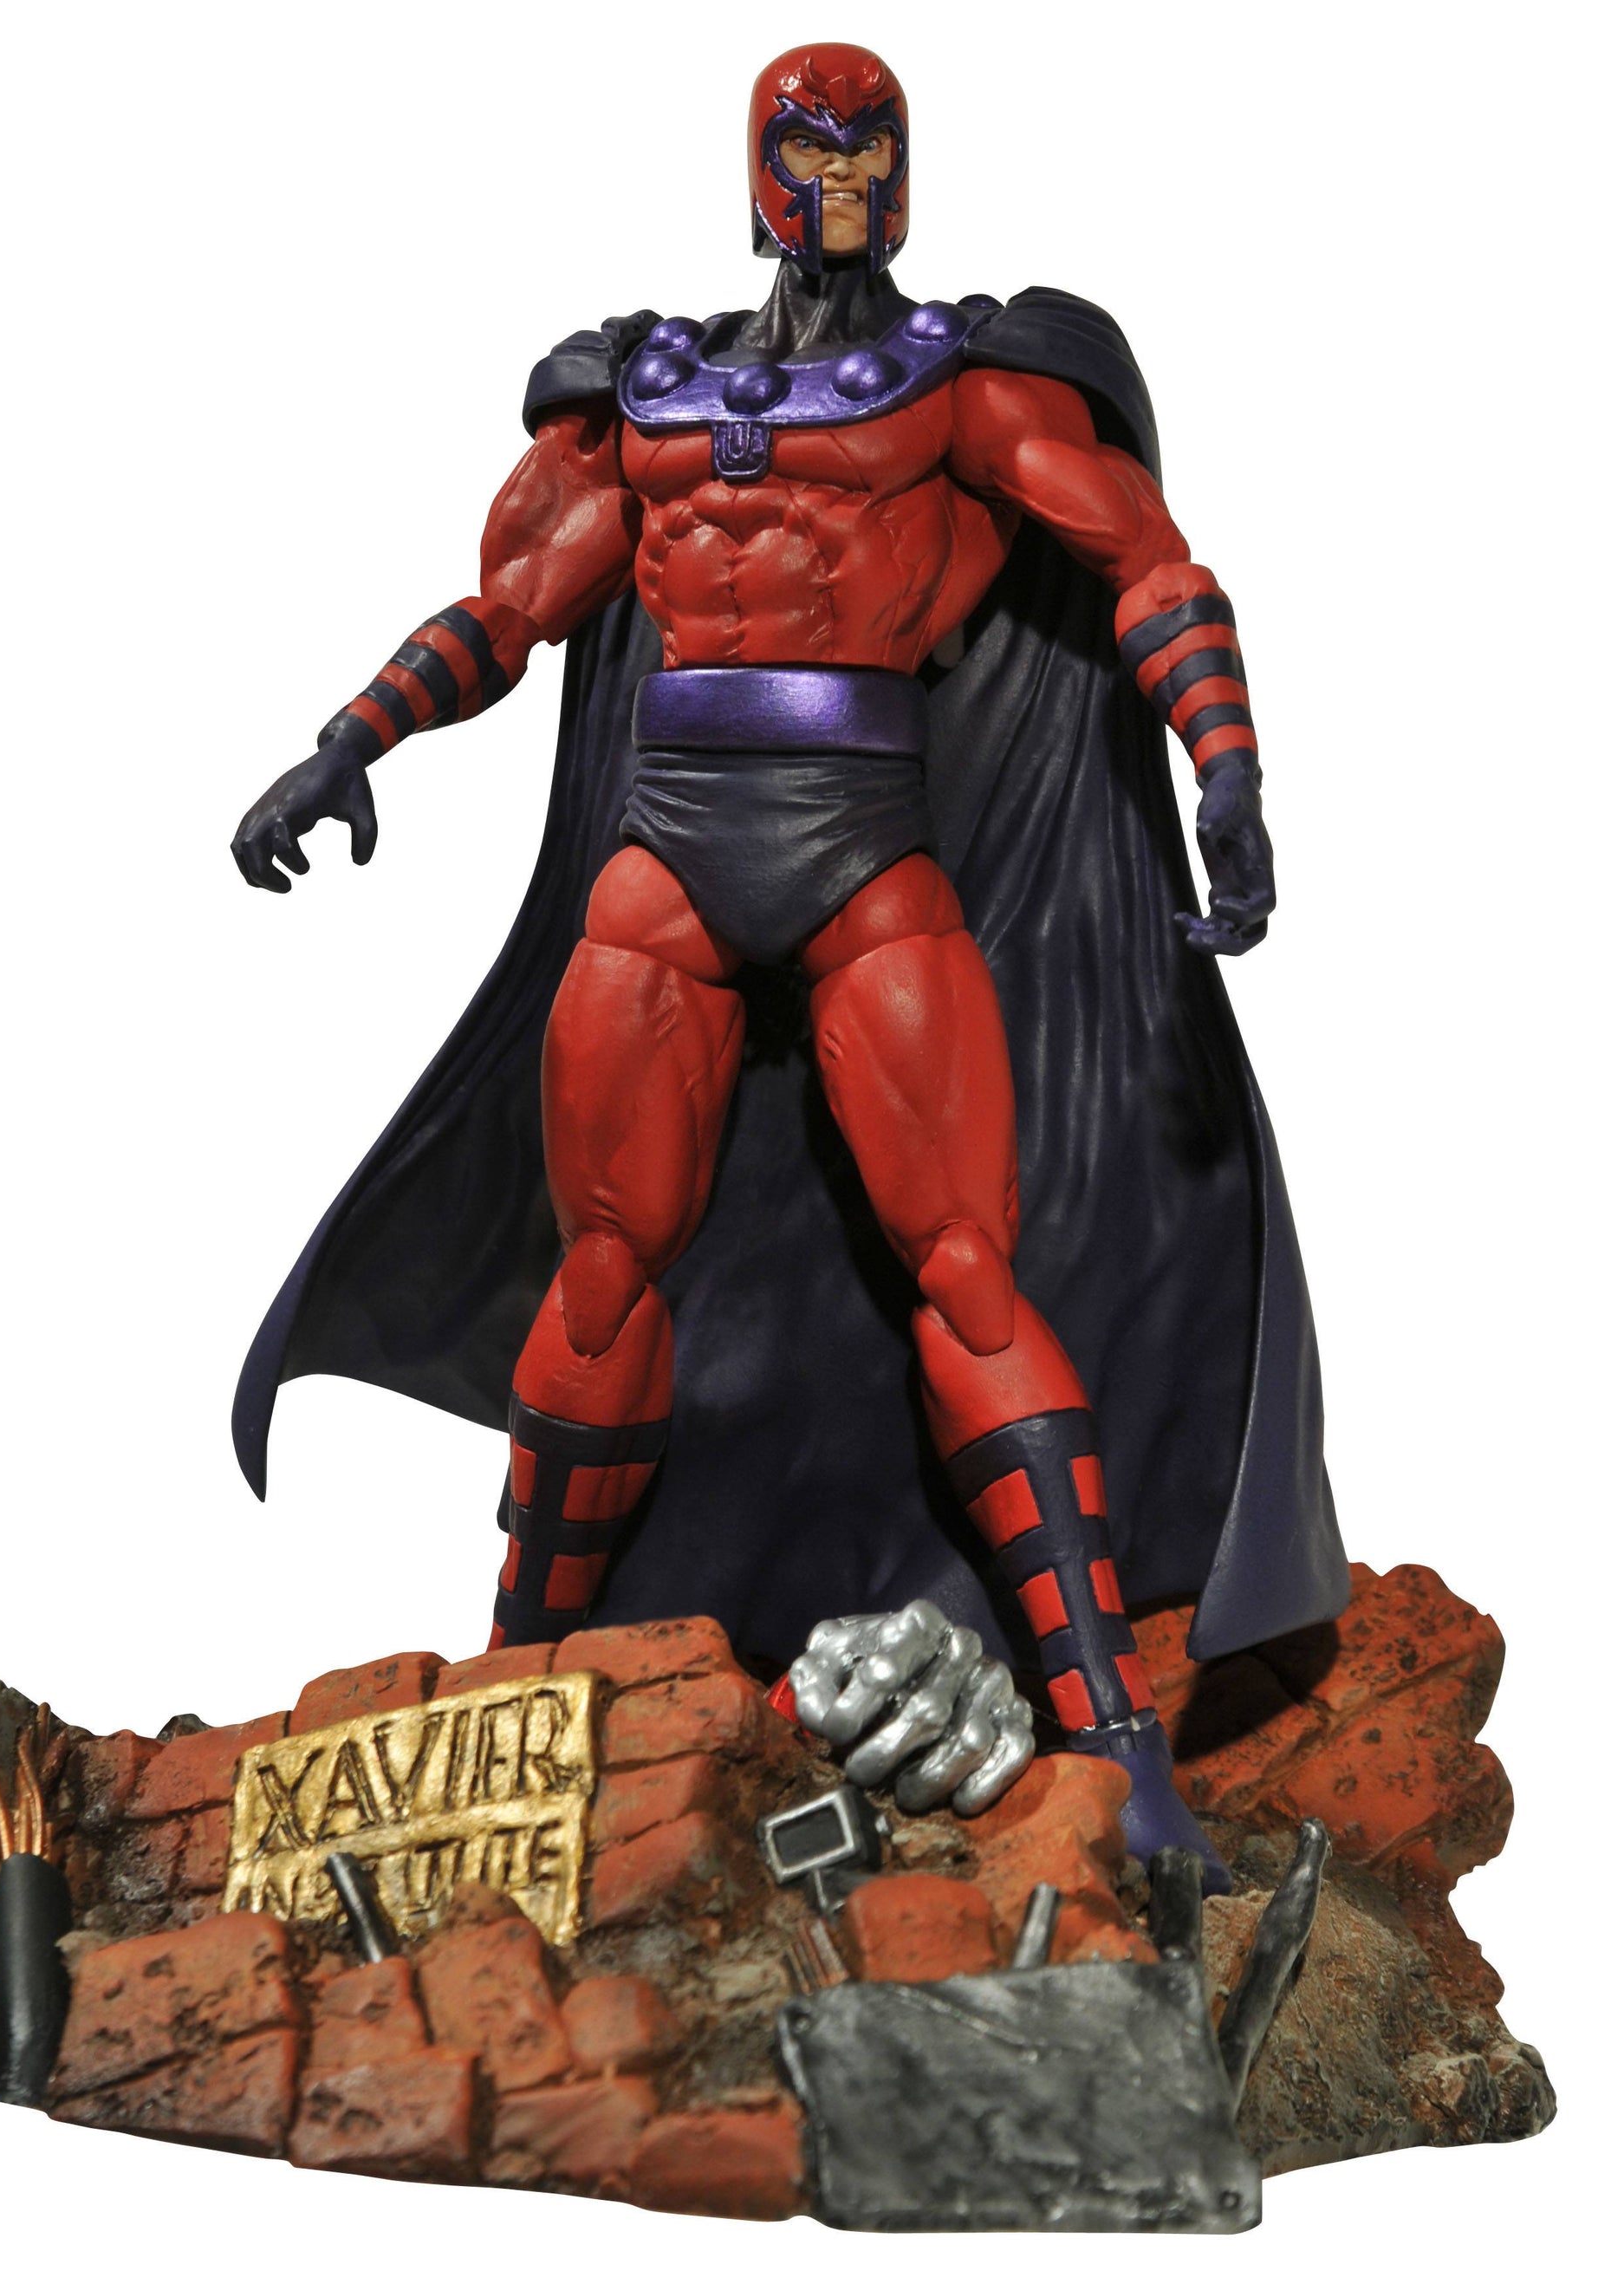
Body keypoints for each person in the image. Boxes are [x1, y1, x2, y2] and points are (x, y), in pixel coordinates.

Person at [231, 43, 1346, 1885]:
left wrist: (1223, 767)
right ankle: (510, 1697)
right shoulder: (644, 391)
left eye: (865, 154)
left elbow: (1146, 563)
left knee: (969, 1273)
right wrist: (347, 743)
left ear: (904, 172)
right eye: (809, 154)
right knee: (602, 1278)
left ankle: (1117, 1740)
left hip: (863, 854)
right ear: (758, 169)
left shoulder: (964, 383)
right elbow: (512, 608)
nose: (838, 187)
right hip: (667, 861)